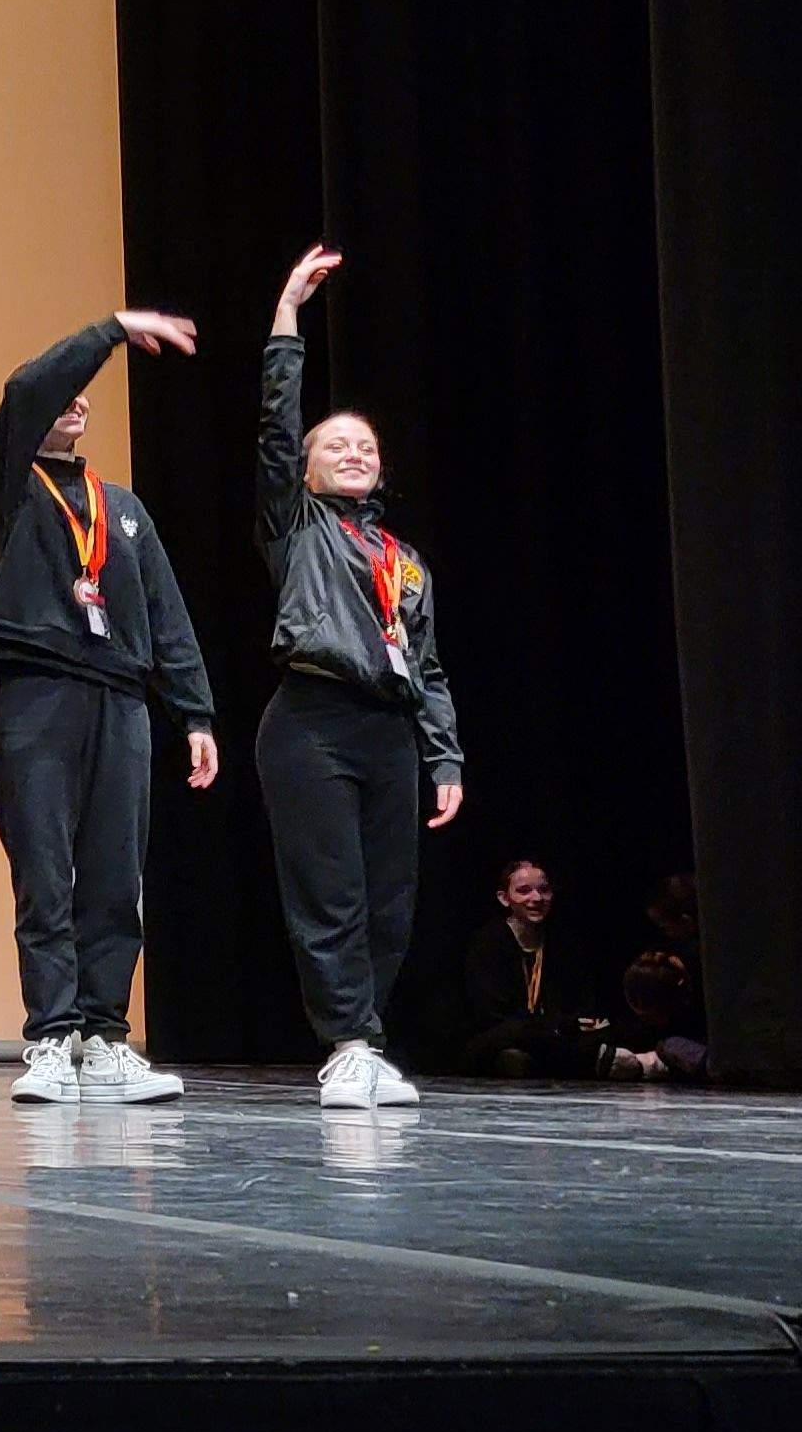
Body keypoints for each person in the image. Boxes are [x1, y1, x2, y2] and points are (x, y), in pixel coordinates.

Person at [0, 307, 213, 1106]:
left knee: (114, 874)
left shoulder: (127, 509)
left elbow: (166, 614)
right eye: (65, 394)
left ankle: (105, 1036)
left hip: (122, 701)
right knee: (44, 868)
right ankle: (50, 1037)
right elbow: (27, 384)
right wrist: (107, 332)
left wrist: (196, 712)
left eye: (85, 398)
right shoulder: (6, 485)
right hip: (38, 695)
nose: (74, 402)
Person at [255, 244, 465, 1109]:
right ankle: (346, 1042)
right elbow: (275, 427)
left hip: (388, 729)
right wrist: (286, 320)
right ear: (303, 470)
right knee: (332, 895)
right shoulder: (295, 527)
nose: (354, 452)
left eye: (365, 445)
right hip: (310, 722)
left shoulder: (403, 561)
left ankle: (368, 1037)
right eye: (334, 444)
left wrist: (444, 757)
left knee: (391, 907)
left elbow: (430, 664)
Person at [453, 858, 659, 1079]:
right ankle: (603, 1060)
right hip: (508, 1034)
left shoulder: (563, 943)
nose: (536, 898)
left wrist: (566, 1025)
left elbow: (580, 1006)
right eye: (524, 891)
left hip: (558, 1033)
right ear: (505, 899)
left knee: (610, 1029)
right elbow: (494, 1015)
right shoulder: (488, 944)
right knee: (515, 1046)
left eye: (544, 890)